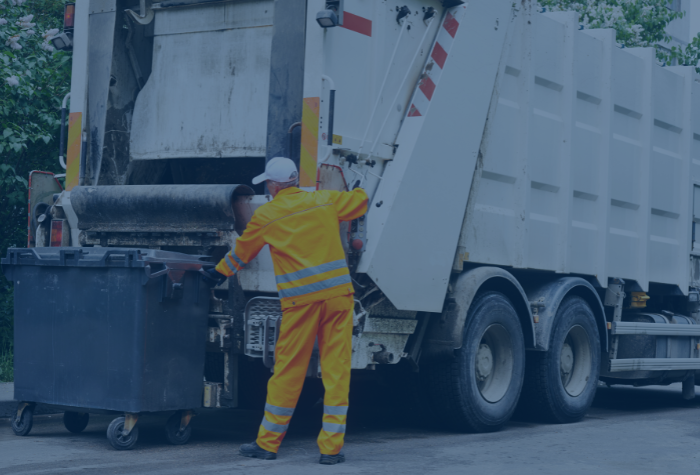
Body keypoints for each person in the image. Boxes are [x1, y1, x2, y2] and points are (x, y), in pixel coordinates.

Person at [203, 157, 368, 465]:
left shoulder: (268, 215)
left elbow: (242, 253)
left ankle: (267, 444)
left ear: (273, 186)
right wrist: (359, 188)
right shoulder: (325, 200)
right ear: (294, 180)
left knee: (288, 372)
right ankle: (331, 450)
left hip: (301, 304)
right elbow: (359, 203)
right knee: (336, 371)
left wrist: (216, 273)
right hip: (338, 298)